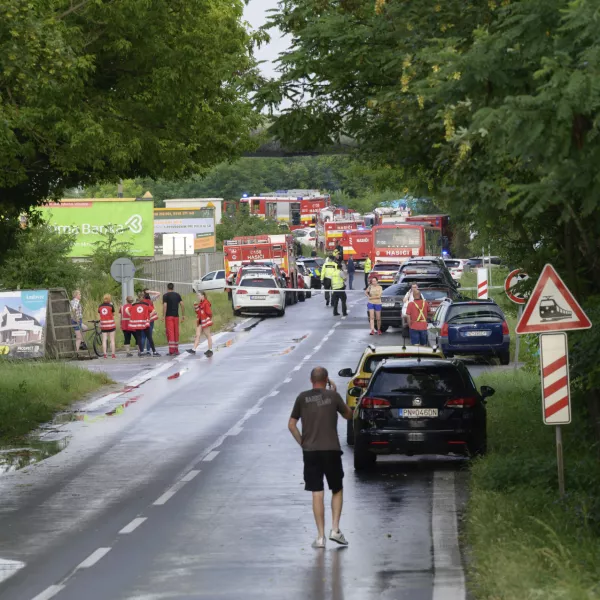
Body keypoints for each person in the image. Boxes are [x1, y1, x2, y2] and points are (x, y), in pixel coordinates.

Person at [288, 367, 353, 549]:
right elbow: (349, 415)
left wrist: (303, 443)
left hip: (311, 452)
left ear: (311, 380)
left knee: (317, 492)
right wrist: (335, 393)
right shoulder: (333, 397)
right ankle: (335, 530)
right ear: (326, 380)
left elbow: (291, 425)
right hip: (331, 449)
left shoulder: (302, 398)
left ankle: (320, 538)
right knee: (337, 489)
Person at [187, 291, 214, 357]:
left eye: (199, 295)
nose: (198, 297)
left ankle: (210, 350)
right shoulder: (201, 303)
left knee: (208, 335)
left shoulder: (206, 303)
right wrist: (196, 306)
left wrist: (208, 319)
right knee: (197, 335)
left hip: (204, 321)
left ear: (203, 296)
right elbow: (198, 312)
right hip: (200, 321)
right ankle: (193, 349)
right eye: (197, 295)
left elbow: (209, 313)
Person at [162, 283, 185, 355]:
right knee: (176, 332)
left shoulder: (165, 296)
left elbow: (165, 306)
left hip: (169, 317)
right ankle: (176, 350)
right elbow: (182, 304)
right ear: (173, 288)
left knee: (170, 333)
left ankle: (171, 351)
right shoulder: (177, 295)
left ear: (167, 288)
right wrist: (183, 315)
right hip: (176, 316)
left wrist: (163, 315)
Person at [142, 288, 160, 354]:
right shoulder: (151, 299)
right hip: (151, 318)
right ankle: (148, 350)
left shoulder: (141, 300)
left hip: (143, 318)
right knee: (149, 335)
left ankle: (141, 350)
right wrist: (150, 291)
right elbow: (158, 293)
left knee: (143, 335)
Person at [98, 294, 116, 359]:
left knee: (104, 340)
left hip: (103, 325)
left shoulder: (100, 306)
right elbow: (113, 314)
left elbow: (100, 313)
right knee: (112, 340)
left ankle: (105, 354)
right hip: (111, 324)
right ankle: (113, 354)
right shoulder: (111, 306)